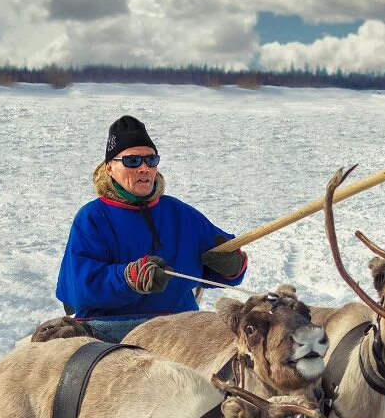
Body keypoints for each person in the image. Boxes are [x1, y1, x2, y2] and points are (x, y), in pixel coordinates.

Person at [55, 115, 248, 342]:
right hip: (112, 334)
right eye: (133, 161)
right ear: (109, 168)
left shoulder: (181, 213)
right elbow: (79, 290)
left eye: (151, 160)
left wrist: (232, 266)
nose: (144, 168)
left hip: (180, 329)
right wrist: (129, 278)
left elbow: (221, 270)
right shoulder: (92, 217)